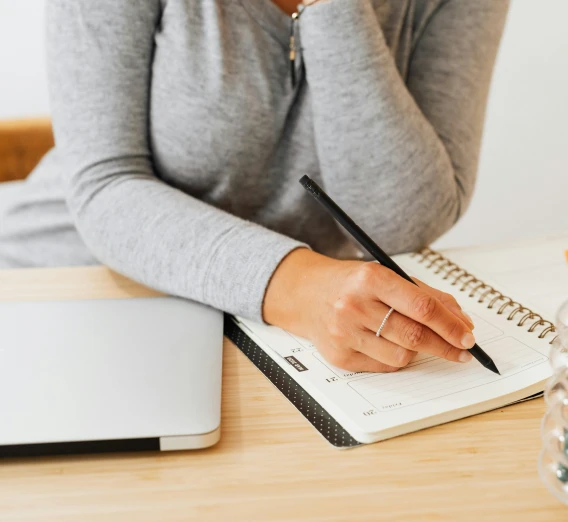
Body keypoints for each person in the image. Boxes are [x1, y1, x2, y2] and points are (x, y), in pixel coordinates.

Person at [0, 0, 509, 372]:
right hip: (70, 292)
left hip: (285, 339)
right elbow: (105, 188)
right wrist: (297, 286)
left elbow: (401, 221)